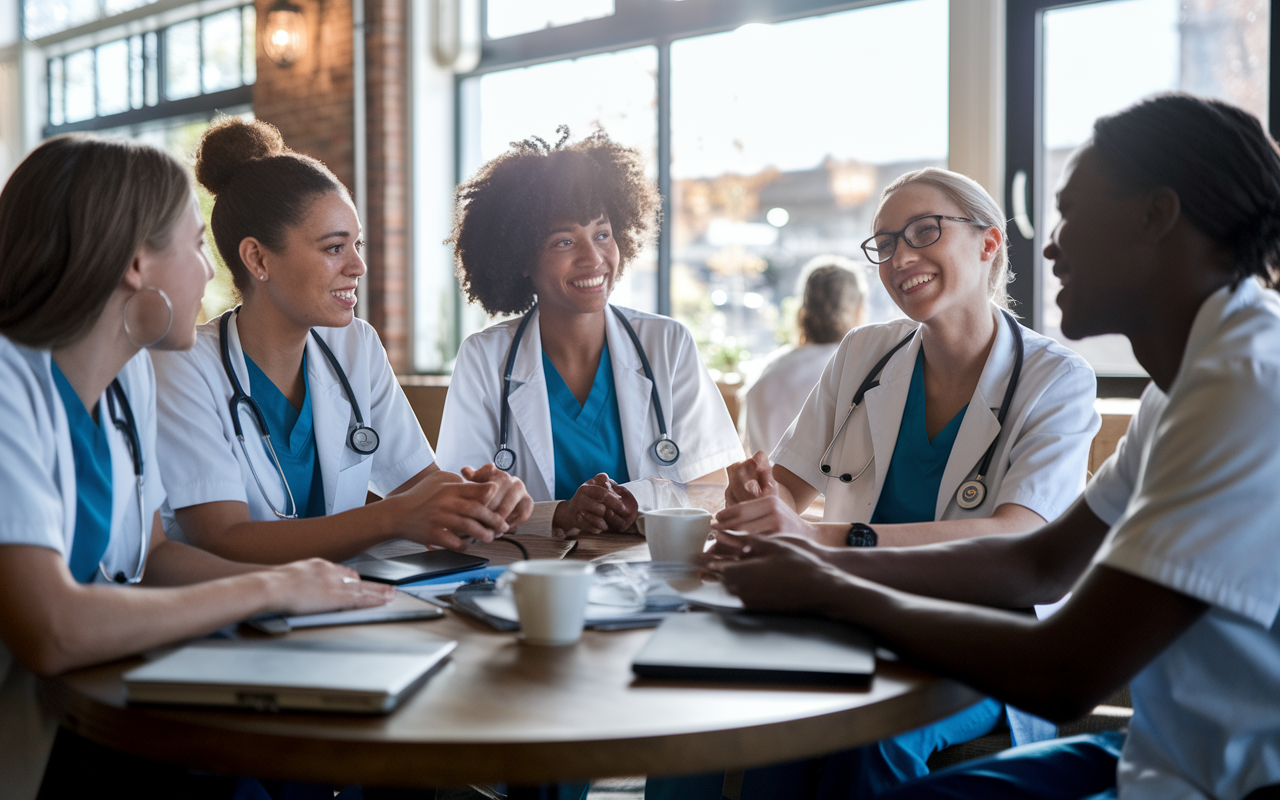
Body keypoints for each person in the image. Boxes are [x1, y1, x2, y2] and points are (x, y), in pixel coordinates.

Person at [715, 93, 1280, 800]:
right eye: (885, 243)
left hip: (1225, 781)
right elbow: (1038, 565)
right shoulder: (1183, 385)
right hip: (1163, 750)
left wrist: (831, 579)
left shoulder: (1248, 389)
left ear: (1155, 216)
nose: (1050, 244)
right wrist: (810, 559)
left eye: (1071, 212)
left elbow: (1067, 672)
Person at [650, 167, 1101, 799]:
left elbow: (1015, 537)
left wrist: (826, 541)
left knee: (872, 738)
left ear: (989, 243)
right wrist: (757, 503)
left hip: (983, 638)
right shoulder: (864, 354)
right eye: (885, 243)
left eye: (923, 231)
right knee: (728, 716)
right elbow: (786, 491)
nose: (900, 257)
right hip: (843, 616)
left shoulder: (1056, 381)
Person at [0, 135, 395, 800]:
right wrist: (263, 592)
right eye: (193, 247)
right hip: (32, 745)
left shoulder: (130, 381)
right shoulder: (10, 387)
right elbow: (51, 630)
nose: (210, 274)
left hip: (98, 712)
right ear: (135, 264)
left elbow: (152, 554)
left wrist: (309, 592)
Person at [151, 119, 532, 565]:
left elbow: (420, 487)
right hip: (229, 622)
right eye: (334, 248)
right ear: (257, 258)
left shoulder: (356, 346)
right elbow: (224, 538)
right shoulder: (183, 365)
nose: (358, 267)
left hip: (340, 605)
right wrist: (393, 518)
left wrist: (484, 498)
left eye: (358, 245)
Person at [436, 129, 743, 537]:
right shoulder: (485, 357)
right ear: (521, 257)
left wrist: (638, 501)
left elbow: (712, 488)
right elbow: (464, 501)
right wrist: (561, 514)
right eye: (564, 242)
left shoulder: (667, 344)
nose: (594, 258)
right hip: (534, 581)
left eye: (602, 234)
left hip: (648, 572)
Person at [742, 255, 868, 455]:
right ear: (858, 311)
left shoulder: (765, 373)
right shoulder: (857, 373)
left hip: (766, 484)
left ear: (802, 310)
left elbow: (748, 451)